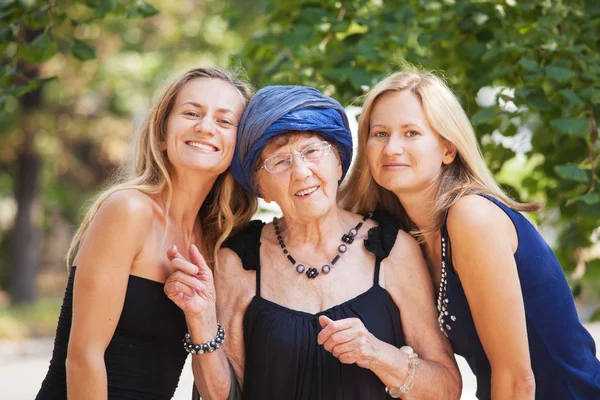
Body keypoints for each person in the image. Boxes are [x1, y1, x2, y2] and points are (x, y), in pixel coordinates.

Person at [164, 85, 462, 400]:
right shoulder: (239, 259)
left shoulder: (392, 249)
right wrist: (200, 321)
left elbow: (447, 389)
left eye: (312, 151)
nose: (301, 172)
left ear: (338, 163)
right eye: (279, 161)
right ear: (261, 187)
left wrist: (378, 354)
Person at [340, 70, 600, 399]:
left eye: (411, 133)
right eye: (380, 133)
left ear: (448, 149)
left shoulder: (471, 217)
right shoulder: (405, 237)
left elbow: (518, 378)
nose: (392, 147)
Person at [35, 67, 256, 400]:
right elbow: (83, 359)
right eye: (192, 113)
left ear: (237, 147)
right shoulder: (128, 210)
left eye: (224, 121)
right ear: (163, 134)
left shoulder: (216, 240)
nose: (205, 126)